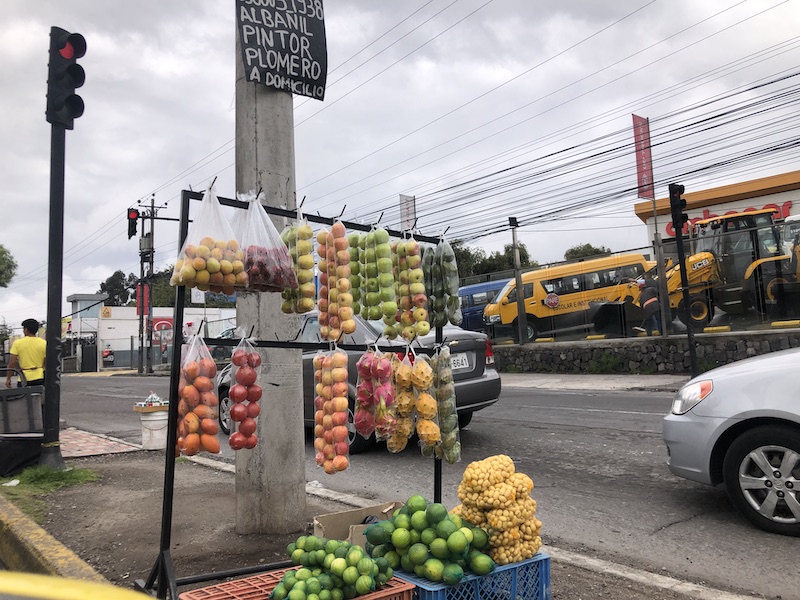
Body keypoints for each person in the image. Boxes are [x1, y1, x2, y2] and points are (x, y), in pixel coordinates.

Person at [5, 319, 47, 388]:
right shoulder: (44, 343)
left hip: (23, 377)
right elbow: (46, 361)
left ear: (26, 329)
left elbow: (12, 362)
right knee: (40, 397)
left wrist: (8, 378)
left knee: (23, 397)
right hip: (40, 376)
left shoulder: (17, 343)